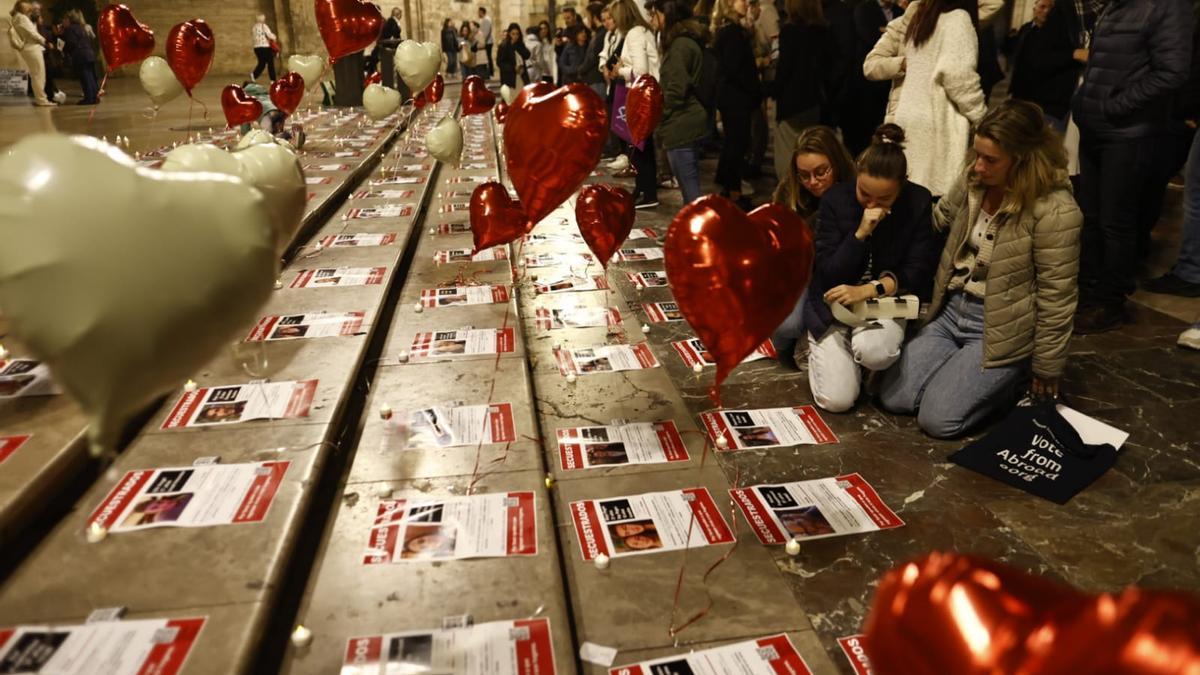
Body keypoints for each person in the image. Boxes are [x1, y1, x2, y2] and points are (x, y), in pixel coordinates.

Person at [881, 101, 1083, 438]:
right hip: (950, 311)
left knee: (938, 421)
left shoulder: (1056, 210)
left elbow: (1057, 295)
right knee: (894, 397)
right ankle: (958, 374)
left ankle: (1007, 382)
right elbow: (937, 220)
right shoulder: (975, 179)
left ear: (1022, 159)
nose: (978, 166)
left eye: (990, 160)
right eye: (977, 154)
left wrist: (1046, 366)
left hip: (999, 328)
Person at [1070, 0, 1192, 334]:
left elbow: (1173, 71)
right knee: (1091, 217)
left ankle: (1110, 302)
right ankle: (1088, 292)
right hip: (1096, 127)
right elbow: (1101, 60)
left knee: (1116, 222)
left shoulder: (1166, 6)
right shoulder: (1117, 5)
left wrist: (1118, 105)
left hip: (1127, 133)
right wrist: (1085, 105)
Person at [803, 124, 938, 413]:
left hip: (883, 302)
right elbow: (828, 272)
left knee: (875, 352)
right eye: (865, 194)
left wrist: (870, 289)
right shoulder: (835, 200)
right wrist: (860, 234)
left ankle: (867, 362)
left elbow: (918, 269)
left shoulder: (917, 201)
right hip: (834, 308)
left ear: (901, 187)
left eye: (884, 198)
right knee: (837, 401)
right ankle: (832, 355)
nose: (873, 204)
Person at [864, 0, 984, 198]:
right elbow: (957, 76)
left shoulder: (922, 21)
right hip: (937, 123)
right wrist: (981, 115)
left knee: (908, 195)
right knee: (935, 202)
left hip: (910, 119)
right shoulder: (956, 19)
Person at [772, 125, 857, 368]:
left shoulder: (856, 188)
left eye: (821, 172)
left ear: (836, 162)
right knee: (787, 324)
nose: (813, 182)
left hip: (838, 276)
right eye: (804, 175)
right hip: (800, 274)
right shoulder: (789, 192)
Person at [650, 0, 708, 204]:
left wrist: (659, 115)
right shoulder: (682, 42)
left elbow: (676, 89)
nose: (651, 19)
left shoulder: (679, 46)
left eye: (654, 14)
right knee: (688, 186)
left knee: (690, 191)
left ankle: (696, 233)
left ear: (666, 15)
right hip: (682, 122)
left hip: (681, 123)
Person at [770, 0, 834, 182]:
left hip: (791, 102)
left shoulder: (790, 31)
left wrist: (773, 90)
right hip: (814, 102)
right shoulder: (822, 31)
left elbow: (785, 69)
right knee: (808, 150)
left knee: (787, 153)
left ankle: (787, 197)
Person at [711, 0, 762, 210]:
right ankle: (733, 192)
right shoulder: (732, 32)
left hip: (733, 95)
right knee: (738, 143)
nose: (746, 2)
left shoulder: (732, 29)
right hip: (736, 96)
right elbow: (733, 68)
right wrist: (752, 88)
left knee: (735, 142)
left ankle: (728, 187)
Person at [611, 0, 661, 208]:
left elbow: (641, 70)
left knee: (641, 147)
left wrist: (620, 70)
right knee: (642, 146)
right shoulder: (643, 31)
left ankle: (647, 192)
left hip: (640, 94)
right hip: (646, 93)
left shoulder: (633, 34)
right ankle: (643, 188)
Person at [1005, 0, 1078, 132]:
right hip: (1021, 96)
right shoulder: (1026, 29)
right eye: (1042, 7)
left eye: (1050, 8)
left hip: (1046, 102)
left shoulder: (1061, 34)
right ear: (1034, 9)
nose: (1046, 11)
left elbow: (1042, 60)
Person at [849, 0, 903, 154]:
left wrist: (885, 31)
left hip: (890, 84)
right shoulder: (864, 8)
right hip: (868, 86)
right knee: (866, 131)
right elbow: (869, 37)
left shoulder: (900, 12)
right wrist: (891, 34)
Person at [600, 6, 631, 169]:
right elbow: (604, 54)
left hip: (621, 78)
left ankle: (626, 155)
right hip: (612, 80)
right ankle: (621, 153)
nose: (607, 23)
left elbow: (616, 55)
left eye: (609, 18)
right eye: (604, 20)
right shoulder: (608, 36)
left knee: (622, 117)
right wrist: (603, 66)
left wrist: (608, 66)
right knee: (614, 115)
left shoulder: (624, 34)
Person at [9, 1, 53, 106]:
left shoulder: (17, 17)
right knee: (39, 75)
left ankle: (41, 98)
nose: (30, 9)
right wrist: (45, 42)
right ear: (23, 7)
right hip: (32, 47)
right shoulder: (21, 18)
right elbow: (32, 34)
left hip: (28, 48)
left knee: (36, 74)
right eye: (28, 7)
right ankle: (42, 99)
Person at [62, 10, 97, 105]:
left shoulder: (70, 29)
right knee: (91, 76)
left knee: (85, 77)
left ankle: (89, 98)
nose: (63, 21)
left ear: (69, 20)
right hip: (89, 53)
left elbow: (71, 43)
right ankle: (94, 97)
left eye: (65, 19)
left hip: (80, 55)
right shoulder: (81, 27)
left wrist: (64, 48)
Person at [581, 2, 609, 99]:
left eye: (588, 16)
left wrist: (581, 69)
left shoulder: (602, 34)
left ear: (594, 17)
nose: (586, 20)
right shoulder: (597, 33)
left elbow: (593, 57)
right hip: (593, 81)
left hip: (597, 81)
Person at [497, 22, 531, 87]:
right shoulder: (504, 46)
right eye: (513, 34)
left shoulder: (520, 45)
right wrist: (513, 68)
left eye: (517, 34)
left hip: (522, 76)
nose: (515, 36)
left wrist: (520, 46)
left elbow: (527, 55)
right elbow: (500, 62)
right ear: (509, 34)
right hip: (509, 77)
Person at [379, 9, 403, 87]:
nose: (401, 16)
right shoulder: (391, 21)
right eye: (399, 14)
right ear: (396, 14)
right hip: (388, 48)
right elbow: (391, 33)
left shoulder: (393, 21)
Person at [251, 13, 278, 82]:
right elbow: (269, 35)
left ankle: (254, 75)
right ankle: (273, 79)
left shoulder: (254, 27)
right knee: (270, 63)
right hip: (265, 47)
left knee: (261, 63)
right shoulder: (264, 26)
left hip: (257, 48)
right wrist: (274, 37)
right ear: (263, 19)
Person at [477, 6, 494, 78]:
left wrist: (483, 41)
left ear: (482, 12)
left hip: (488, 42)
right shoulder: (484, 20)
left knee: (488, 57)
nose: (478, 13)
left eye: (479, 12)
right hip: (486, 41)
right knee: (488, 57)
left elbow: (486, 32)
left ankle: (490, 72)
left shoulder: (486, 20)